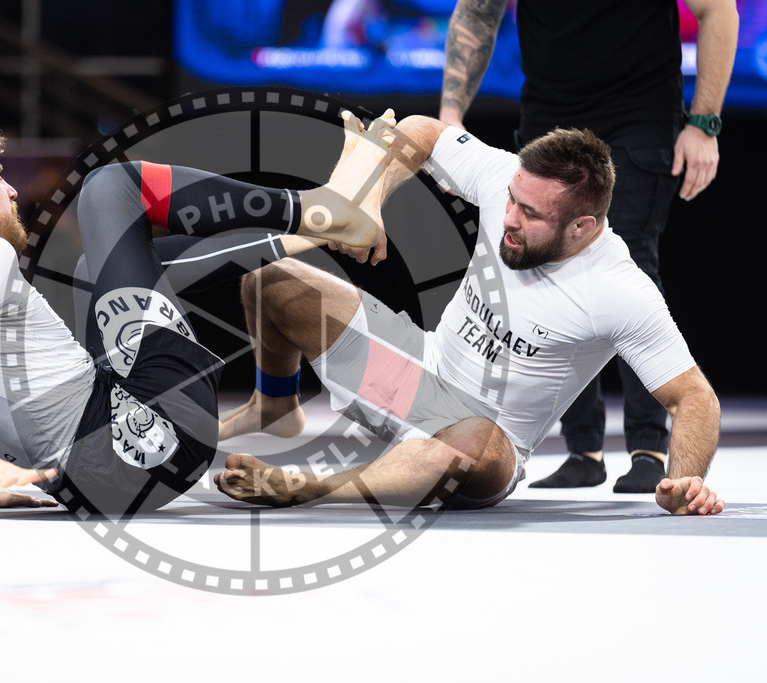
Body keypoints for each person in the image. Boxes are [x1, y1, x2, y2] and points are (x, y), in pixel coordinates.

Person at [0, 101, 396, 514]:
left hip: (101, 474)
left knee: (105, 265)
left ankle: (313, 239)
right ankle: (321, 208)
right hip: (145, 429)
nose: (12, 190)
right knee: (109, 188)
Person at [215, 115, 724, 516]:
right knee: (271, 282)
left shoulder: (618, 289)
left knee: (478, 441)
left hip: (476, 441)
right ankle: (275, 406)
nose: (509, 218)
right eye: (512, 200)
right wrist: (367, 200)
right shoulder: (509, 180)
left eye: (531, 215)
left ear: (582, 226)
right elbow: (419, 130)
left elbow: (693, 398)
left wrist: (685, 480)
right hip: (411, 369)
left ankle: (310, 489)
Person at [438, 0, 739, 492]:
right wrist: (452, 114)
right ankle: (583, 448)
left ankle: (648, 447)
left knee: (631, 258)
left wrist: (704, 122)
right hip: (550, 109)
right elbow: (476, 12)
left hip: (638, 109)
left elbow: (719, 10)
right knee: (545, 258)